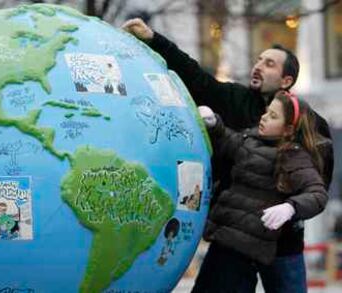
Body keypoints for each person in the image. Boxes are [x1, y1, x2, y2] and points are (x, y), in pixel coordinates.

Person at [121, 19, 334, 292]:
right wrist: (154, 39)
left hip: (282, 239)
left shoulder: (309, 123)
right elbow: (197, 79)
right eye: (259, 59)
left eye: (269, 63)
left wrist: (290, 207)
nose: (258, 65)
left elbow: (317, 181)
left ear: (287, 80)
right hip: (233, 235)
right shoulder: (236, 99)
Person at [197, 91, 328, 292]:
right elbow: (227, 140)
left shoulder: (293, 156)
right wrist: (214, 123)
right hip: (223, 241)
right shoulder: (252, 139)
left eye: (273, 116)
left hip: (245, 252)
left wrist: (290, 207)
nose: (264, 117)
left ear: (288, 129)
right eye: (267, 112)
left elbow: (317, 195)